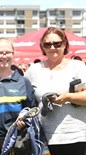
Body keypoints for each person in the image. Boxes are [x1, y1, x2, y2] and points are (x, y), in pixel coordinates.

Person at [25, 27, 86, 155]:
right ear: (43, 46)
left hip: (76, 135)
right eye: (48, 44)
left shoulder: (78, 67)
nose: (52, 47)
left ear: (64, 44)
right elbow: (25, 99)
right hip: (43, 138)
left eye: (57, 43)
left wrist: (67, 97)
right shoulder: (33, 70)